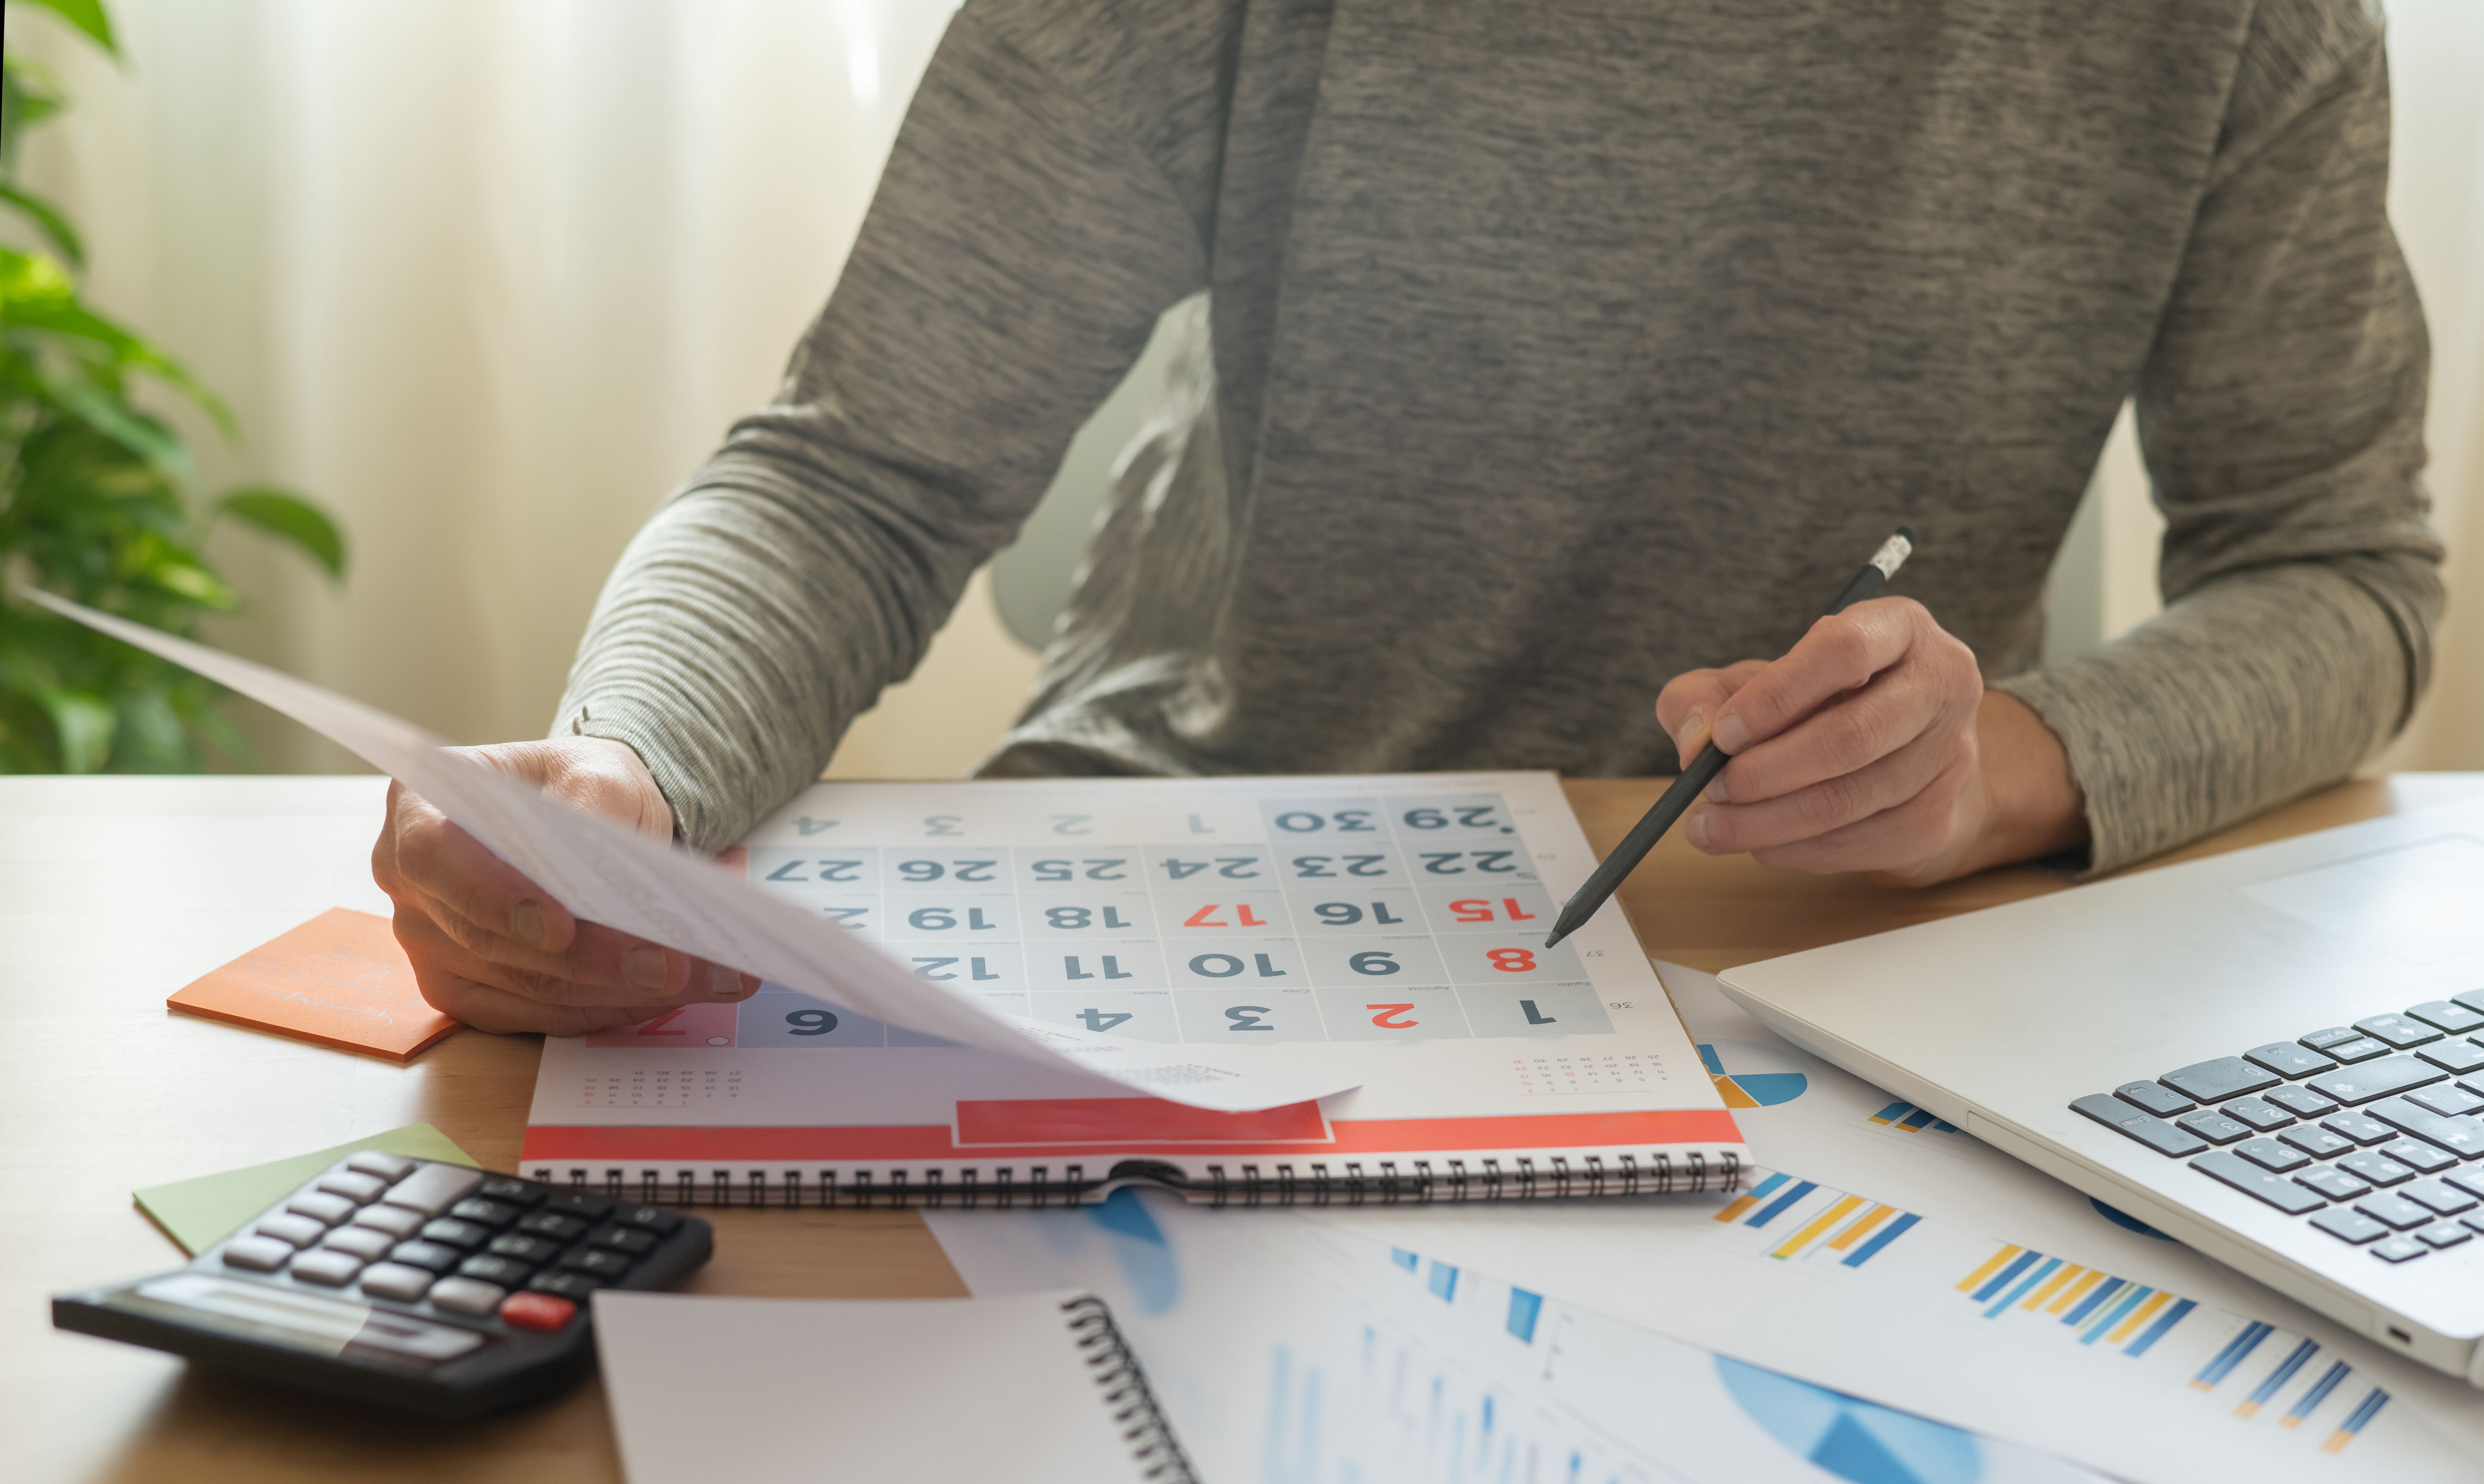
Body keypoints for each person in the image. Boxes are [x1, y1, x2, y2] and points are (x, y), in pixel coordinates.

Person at [374, 0, 2442, 1036]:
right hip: (1178, 913)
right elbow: (863, 469)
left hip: (1819, 977)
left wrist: (2022, 765)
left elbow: (2339, 567)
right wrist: (631, 769)